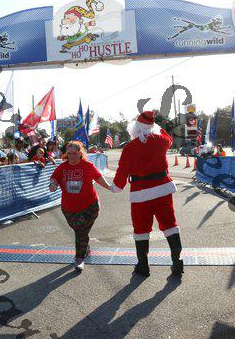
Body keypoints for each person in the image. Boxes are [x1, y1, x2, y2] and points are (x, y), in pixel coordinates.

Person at [110, 111, 183, 277]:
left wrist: (116, 187)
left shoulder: (130, 147)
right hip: (163, 190)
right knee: (170, 224)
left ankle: (143, 265)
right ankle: (177, 261)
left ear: (135, 128)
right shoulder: (162, 141)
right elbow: (167, 136)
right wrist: (155, 126)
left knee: (141, 228)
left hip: (140, 193)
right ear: (153, 126)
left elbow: (122, 171)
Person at [49, 141, 112, 271]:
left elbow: (98, 178)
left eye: (75, 153)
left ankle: (79, 258)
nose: (72, 156)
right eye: (69, 153)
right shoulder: (62, 167)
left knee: (80, 231)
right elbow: (54, 178)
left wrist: (110, 187)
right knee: (80, 231)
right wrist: (53, 185)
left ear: (80, 153)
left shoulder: (87, 166)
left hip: (90, 206)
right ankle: (85, 247)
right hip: (69, 208)